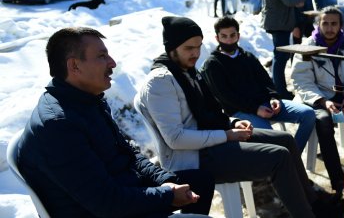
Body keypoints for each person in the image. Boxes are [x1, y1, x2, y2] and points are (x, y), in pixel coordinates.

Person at [136, 16, 341, 218]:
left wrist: (233, 123)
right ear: (171, 48)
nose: (196, 53)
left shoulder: (186, 71)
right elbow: (176, 139)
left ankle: (313, 204)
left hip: (209, 143)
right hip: (193, 158)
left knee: (286, 140)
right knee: (279, 157)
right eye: (189, 48)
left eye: (198, 47)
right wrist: (228, 135)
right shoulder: (161, 82)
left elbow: (211, 111)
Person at [17, 27, 214, 217]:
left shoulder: (88, 101)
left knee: (200, 181)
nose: (112, 63)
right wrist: (168, 196)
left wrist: (165, 181)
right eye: (102, 56)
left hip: (124, 191)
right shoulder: (58, 126)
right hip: (105, 210)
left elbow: (128, 154)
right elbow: (106, 203)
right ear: (74, 66)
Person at [201, 16, 316, 153]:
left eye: (232, 35)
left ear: (238, 36)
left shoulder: (247, 57)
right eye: (224, 36)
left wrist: (274, 97)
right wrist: (256, 109)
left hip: (267, 105)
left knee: (308, 114)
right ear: (217, 38)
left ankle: (293, 155)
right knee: (278, 139)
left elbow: (266, 80)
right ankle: (289, 161)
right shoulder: (212, 64)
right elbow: (227, 97)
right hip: (242, 111)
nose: (229, 40)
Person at [290, 6, 344, 196]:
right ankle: (338, 181)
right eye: (326, 23)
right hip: (316, 96)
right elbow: (301, 81)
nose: (330, 28)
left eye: (334, 24)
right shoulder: (308, 46)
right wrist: (323, 101)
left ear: (340, 26)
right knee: (323, 121)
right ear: (318, 24)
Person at [261, 0, 309, 100]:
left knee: (280, 56)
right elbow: (289, 0)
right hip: (279, 22)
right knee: (280, 58)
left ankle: (279, 88)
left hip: (279, 21)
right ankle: (280, 91)